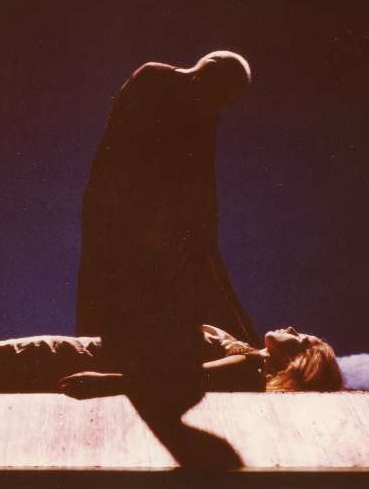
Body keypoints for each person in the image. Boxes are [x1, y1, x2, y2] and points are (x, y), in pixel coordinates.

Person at [76, 51, 259, 397]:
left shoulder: (205, 114)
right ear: (207, 73)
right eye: (222, 95)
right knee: (110, 305)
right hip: (119, 221)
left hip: (151, 228)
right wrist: (140, 221)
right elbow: (116, 155)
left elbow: (203, 186)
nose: (220, 106)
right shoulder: (153, 78)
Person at [0, 326, 343, 395]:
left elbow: (180, 376)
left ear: (298, 357)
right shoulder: (243, 354)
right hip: (96, 350)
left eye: (300, 337)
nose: (291, 327)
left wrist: (106, 381)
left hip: (91, 355)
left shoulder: (246, 366)